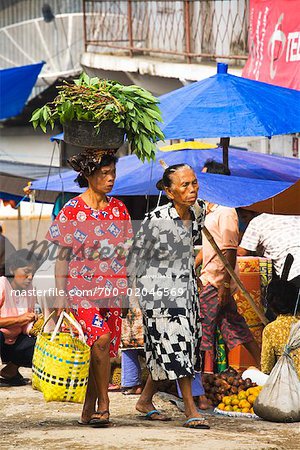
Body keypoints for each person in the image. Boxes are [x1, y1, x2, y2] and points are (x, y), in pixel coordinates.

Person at [46, 150, 133, 426]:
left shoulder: (119, 208)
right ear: (88, 175)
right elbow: (61, 258)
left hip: (113, 290)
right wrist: (60, 295)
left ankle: (88, 407)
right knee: (102, 338)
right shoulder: (72, 209)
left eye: (112, 173)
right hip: (80, 291)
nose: (110, 179)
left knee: (102, 350)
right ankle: (105, 404)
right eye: (104, 174)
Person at [127, 163, 210, 429]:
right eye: (184, 185)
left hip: (186, 290)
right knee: (178, 343)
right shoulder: (156, 219)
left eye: (194, 183)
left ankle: (145, 400)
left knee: (170, 347)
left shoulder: (198, 212)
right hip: (159, 293)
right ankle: (190, 408)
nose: (192, 189)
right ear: (169, 191)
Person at [198, 160, 261, 367]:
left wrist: (225, 285)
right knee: (233, 325)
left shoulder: (225, 211)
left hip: (216, 280)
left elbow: (230, 250)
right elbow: (210, 243)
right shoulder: (210, 210)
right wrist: (194, 263)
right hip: (211, 277)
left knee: (204, 326)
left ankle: (205, 376)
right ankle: (264, 364)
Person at [0, 249, 38, 386]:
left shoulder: (30, 289)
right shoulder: (2, 284)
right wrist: (19, 319)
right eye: (26, 272)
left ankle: (11, 370)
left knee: (38, 345)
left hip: (14, 341)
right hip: (1, 338)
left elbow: (25, 325)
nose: (30, 277)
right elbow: (21, 320)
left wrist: (35, 327)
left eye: (32, 273)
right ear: (12, 269)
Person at [238, 213, 300, 288]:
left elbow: (241, 253)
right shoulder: (294, 214)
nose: (244, 221)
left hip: (294, 272)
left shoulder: (257, 221)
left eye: (244, 217)